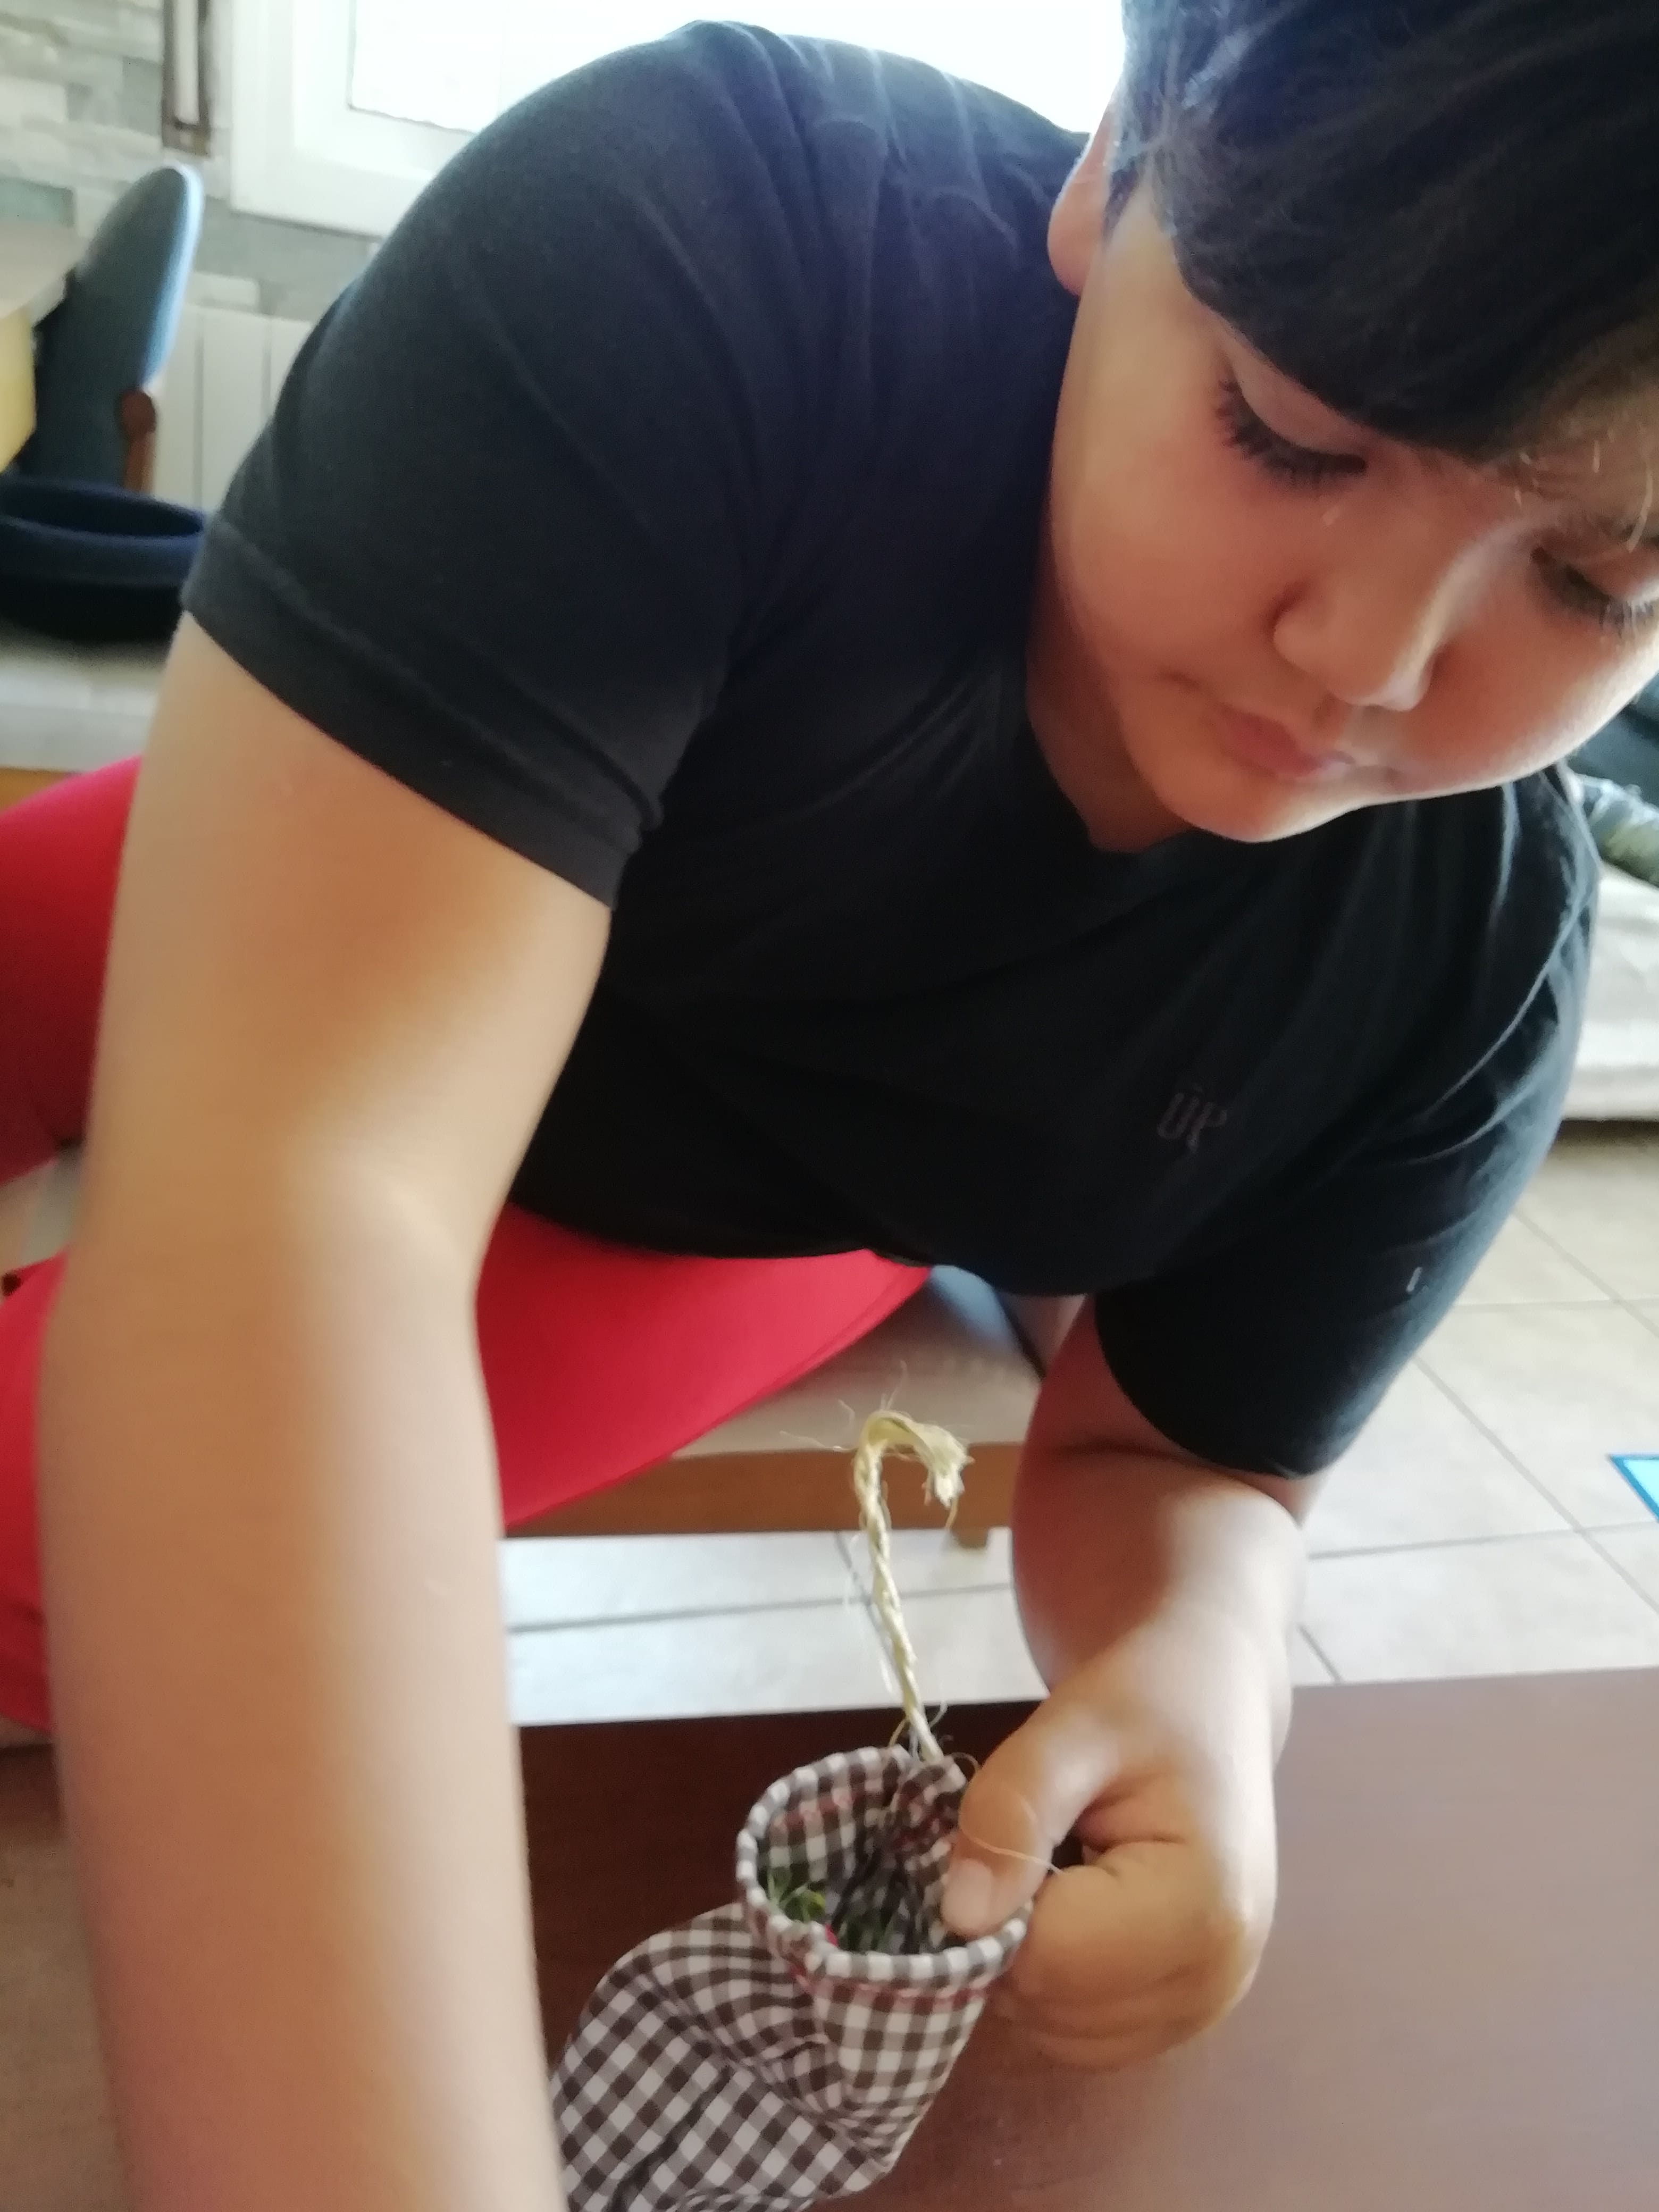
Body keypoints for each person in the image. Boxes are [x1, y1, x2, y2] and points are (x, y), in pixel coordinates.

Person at [2, 3, 1656, 2203]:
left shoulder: (1455, 969)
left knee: (44, 1530)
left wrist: (1195, 1665)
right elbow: (295, 1195)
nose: (1367, 657)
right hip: (389, 853)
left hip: (723, 1188)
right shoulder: (714, 245)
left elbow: (1190, 1452)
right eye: (1285, 433)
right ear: (1116, 166)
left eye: (1592, 576)